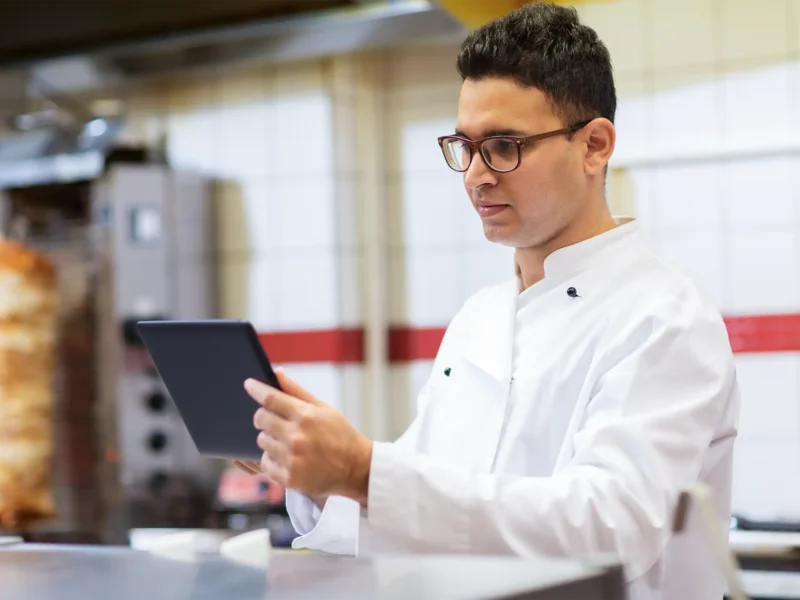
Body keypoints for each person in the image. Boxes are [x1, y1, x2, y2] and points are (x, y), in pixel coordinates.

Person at [236, 4, 740, 599]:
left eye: (504, 145)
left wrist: (366, 469)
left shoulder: (665, 318)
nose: (476, 175)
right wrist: (319, 478)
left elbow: (611, 528)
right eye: (464, 146)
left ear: (594, 145)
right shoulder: (479, 317)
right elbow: (429, 511)